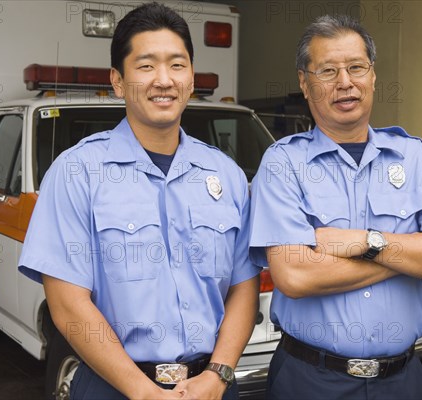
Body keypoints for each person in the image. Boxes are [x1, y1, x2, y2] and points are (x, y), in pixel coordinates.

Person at [18, 3, 260, 399]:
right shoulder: (77, 171)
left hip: (210, 387)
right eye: (146, 66)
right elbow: (67, 305)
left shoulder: (227, 175)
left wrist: (218, 375)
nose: (163, 80)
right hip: (113, 386)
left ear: (191, 77)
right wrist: (143, 392)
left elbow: (244, 286)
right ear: (118, 81)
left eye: (177, 65)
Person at [249, 14, 422, 400]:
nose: (345, 82)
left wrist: (369, 241)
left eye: (356, 67)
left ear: (373, 75)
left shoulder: (414, 158)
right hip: (310, 379)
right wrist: (410, 252)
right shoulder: (283, 164)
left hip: (404, 380)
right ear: (304, 81)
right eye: (327, 71)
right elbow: (295, 276)